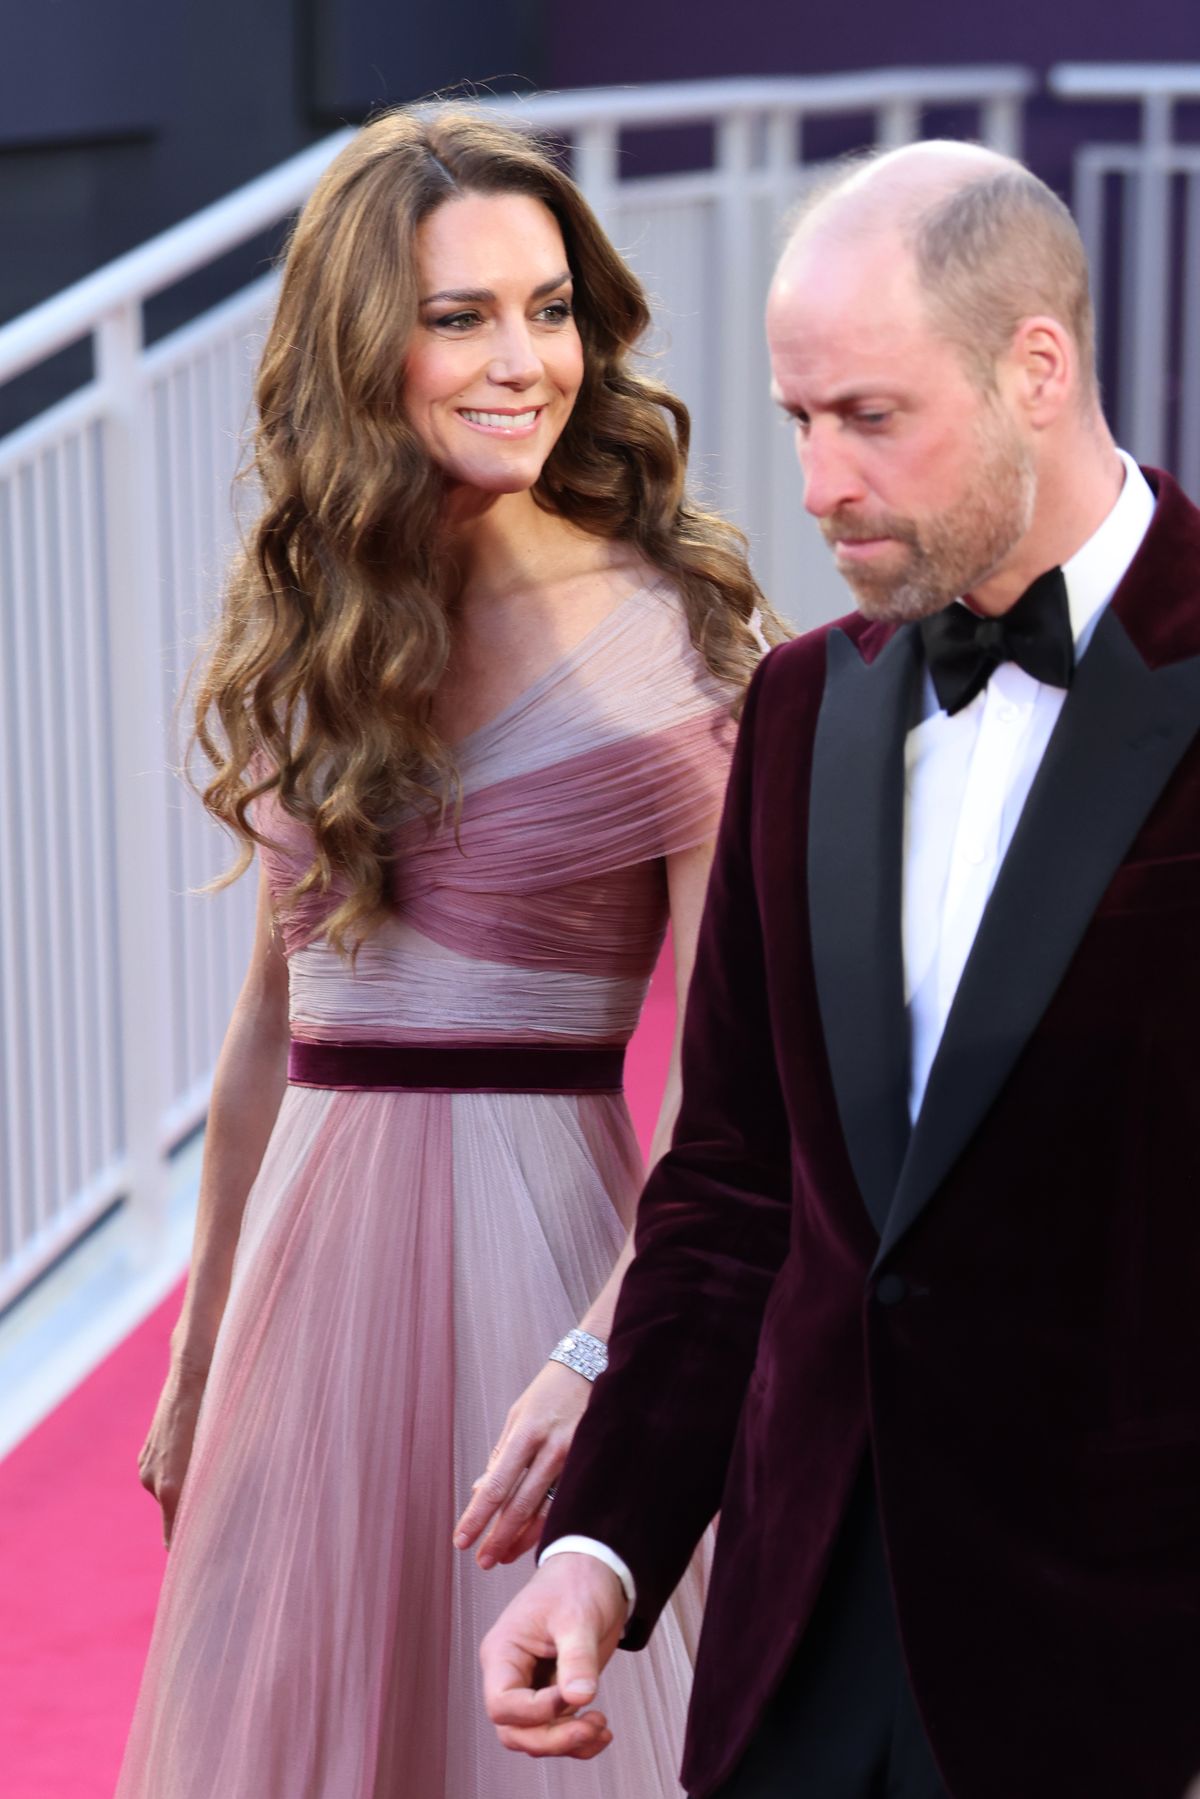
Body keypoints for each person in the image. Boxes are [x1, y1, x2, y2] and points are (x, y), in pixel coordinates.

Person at [480, 139, 1200, 1799]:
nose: (816, 485)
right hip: (801, 1661)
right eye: (802, 420)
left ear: (1038, 368)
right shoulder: (802, 708)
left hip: (1125, 1681)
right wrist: (603, 1548)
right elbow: (735, 1184)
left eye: (870, 417)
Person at [116, 105, 784, 1798]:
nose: (525, 360)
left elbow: (734, 1095)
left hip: (551, 1272)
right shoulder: (307, 635)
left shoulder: (689, 649)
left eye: (550, 309)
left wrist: (609, 1359)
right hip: (299, 1292)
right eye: (460, 313)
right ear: (361, 349)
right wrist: (198, 1368)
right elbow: (273, 1033)